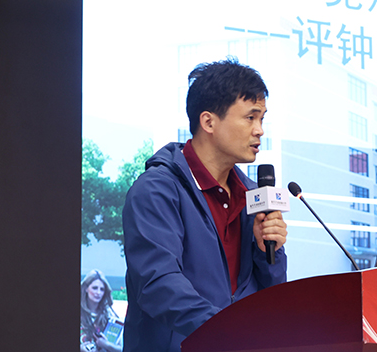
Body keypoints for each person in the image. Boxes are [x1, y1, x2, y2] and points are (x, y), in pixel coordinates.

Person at [122, 58, 288, 352]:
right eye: (250, 118)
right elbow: (159, 285)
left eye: (262, 119)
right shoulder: (157, 190)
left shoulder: (252, 195)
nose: (260, 130)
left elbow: (271, 294)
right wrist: (228, 332)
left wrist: (267, 254)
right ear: (208, 121)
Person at [80, 269, 123, 352]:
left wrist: (107, 345)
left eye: (102, 289)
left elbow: (121, 349)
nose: (98, 292)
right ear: (86, 289)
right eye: (95, 288)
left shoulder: (110, 316)